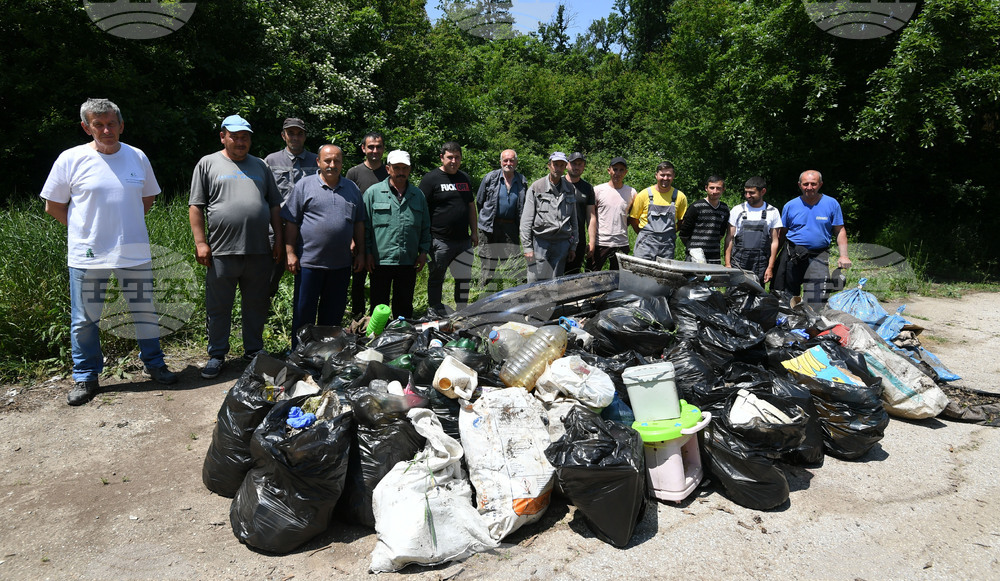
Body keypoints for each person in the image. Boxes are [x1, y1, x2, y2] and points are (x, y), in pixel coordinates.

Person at [41, 98, 177, 405]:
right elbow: (53, 206)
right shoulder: (70, 159)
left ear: (121, 125)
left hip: (134, 251)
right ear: (86, 127)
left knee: (144, 311)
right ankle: (86, 376)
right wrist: (85, 231)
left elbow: (147, 199)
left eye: (111, 123)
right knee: (85, 320)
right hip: (88, 255)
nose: (106, 130)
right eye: (98, 124)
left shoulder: (137, 157)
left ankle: (155, 364)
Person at [189, 114, 282, 379]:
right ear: (223, 137)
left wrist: (279, 241)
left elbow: (274, 205)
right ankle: (217, 355)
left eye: (245, 137)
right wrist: (200, 243)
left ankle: (253, 352)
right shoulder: (208, 164)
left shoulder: (261, 166)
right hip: (221, 251)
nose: (240, 142)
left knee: (256, 305)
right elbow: (196, 206)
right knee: (219, 307)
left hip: (259, 251)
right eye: (235, 136)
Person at [282, 145, 365, 347]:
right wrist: (290, 252)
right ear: (318, 162)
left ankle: (326, 355)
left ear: (342, 163)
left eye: (336, 160)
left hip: (340, 265)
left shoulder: (352, 189)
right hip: (309, 263)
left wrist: (361, 253)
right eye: (327, 160)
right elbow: (292, 221)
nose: (332, 165)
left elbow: (359, 223)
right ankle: (299, 354)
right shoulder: (304, 186)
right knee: (304, 314)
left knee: (332, 316)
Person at [364, 150, 431, 319]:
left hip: (408, 260)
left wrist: (423, 252)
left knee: (404, 306)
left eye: (405, 168)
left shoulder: (418, 195)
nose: (401, 172)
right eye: (397, 168)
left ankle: (401, 339)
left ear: (409, 170)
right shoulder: (373, 193)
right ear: (388, 169)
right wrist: (367, 253)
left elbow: (425, 226)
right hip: (380, 260)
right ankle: (377, 339)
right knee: (379, 307)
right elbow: (364, 226)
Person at [774, 170, 852, 303]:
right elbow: (782, 234)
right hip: (793, 254)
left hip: (818, 256)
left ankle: (812, 321)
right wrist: (774, 259)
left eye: (813, 184)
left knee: (817, 297)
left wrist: (843, 255)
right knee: (788, 296)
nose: (809, 187)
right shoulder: (790, 205)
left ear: (820, 184)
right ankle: (790, 321)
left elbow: (839, 230)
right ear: (799, 185)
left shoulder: (831, 204)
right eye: (805, 184)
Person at [419, 142, 478, 316]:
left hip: (463, 241)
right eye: (450, 157)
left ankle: (462, 311)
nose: (454, 161)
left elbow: (470, 206)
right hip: (440, 240)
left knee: (463, 279)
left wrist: (474, 232)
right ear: (442, 158)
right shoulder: (430, 179)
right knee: (437, 278)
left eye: (457, 157)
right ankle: (435, 312)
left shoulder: (464, 178)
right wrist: (424, 238)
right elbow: (421, 210)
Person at [264, 118, 318, 298]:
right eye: (291, 133)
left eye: (299, 133)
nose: (295, 137)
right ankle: (264, 315)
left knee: (307, 278)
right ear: (283, 135)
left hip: (307, 229)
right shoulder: (270, 160)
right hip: (277, 228)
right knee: (269, 276)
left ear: (305, 136)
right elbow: (263, 195)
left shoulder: (316, 161)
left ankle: (303, 319)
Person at [345, 132, 388, 318]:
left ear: (383, 149)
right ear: (363, 148)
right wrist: (352, 238)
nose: (375, 150)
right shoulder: (353, 173)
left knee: (380, 281)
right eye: (371, 146)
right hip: (359, 234)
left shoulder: (389, 172)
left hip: (382, 236)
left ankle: (377, 319)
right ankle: (358, 318)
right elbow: (348, 206)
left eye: (378, 146)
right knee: (358, 279)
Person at [521, 152, 578, 282]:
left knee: (555, 282)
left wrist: (573, 245)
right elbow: (526, 221)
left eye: (562, 165)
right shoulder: (537, 187)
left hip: (562, 243)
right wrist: (527, 248)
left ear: (565, 167)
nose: (558, 168)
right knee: (535, 280)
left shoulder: (570, 188)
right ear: (549, 166)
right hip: (541, 242)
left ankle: (553, 303)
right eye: (555, 165)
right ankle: (534, 302)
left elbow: (573, 220)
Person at [475, 148, 527, 291]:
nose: (508, 163)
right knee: (487, 261)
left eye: (511, 160)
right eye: (505, 160)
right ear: (500, 162)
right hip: (489, 227)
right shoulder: (490, 178)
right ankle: (483, 292)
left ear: (516, 162)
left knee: (512, 262)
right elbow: (479, 201)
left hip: (510, 227)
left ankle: (510, 291)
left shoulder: (522, 181)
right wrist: (487, 218)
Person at [724, 176, 782, 286]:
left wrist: (770, 267)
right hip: (738, 261)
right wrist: (727, 264)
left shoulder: (772, 211)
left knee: (757, 294)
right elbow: (729, 238)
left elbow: (774, 241)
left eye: (751, 193)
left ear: (763, 191)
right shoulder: (738, 210)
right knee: (735, 293)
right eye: (746, 192)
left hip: (760, 263)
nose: (747, 196)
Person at [630, 161, 688, 261]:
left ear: (673, 176)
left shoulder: (680, 196)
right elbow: (633, 218)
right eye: (662, 175)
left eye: (669, 175)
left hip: (667, 246)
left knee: (664, 273)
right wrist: (644, 234)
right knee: (641, 271)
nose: (665, 178)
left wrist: (669, 234)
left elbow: (682, 221)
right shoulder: (644, 194)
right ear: (656, 175)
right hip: (645, 244)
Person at [588, 156, 636, 271]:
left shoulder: (631, 192)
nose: (617, 173)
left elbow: (632, 216)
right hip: (601, 241)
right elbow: (591, 216)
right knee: (591, 274)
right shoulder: (598, 190)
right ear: (609, 170)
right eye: (615, 169)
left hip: (621, 242)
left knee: (618, 278)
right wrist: (592, 242)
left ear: (626, 172)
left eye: (621, 170)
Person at [678, 176, 730, 264]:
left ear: (723, 190)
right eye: (712, 188)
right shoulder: (696, 207)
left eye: (718, 188)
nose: (715, 191)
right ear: (706, 188)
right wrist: (693, 248)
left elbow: (721, 233)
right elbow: (684, 233)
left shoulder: (724, 209)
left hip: (714, 256)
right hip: (694, 256)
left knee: (713, 278)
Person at [563, 152, 595, 274]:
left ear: (584, 166)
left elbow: (591, 216)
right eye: (573, 164)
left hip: (578, 240)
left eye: (580, 164)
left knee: (572, 276)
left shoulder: (587, 188)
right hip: (558, 238)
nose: (576, 167)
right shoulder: (558, 184)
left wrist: (591, 241)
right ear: (567, 165)